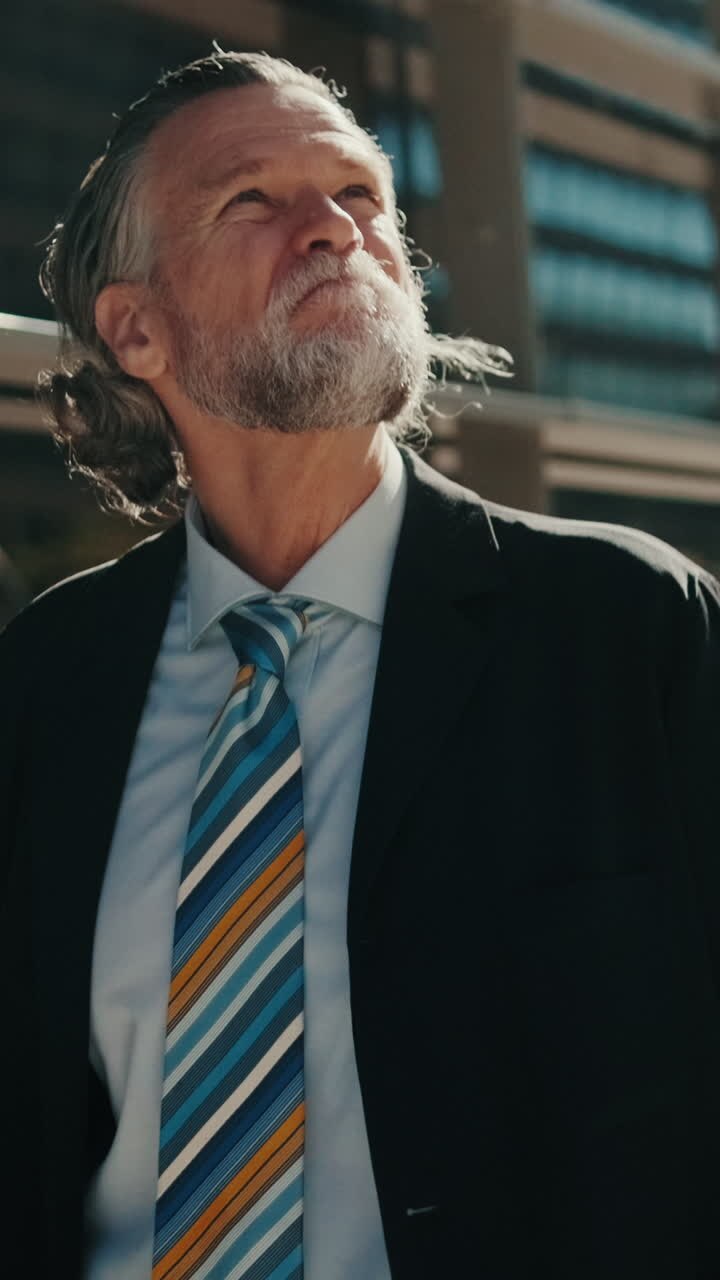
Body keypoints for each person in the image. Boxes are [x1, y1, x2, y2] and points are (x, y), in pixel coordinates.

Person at [1, 47, 719, 1280]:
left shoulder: (630, 626)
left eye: (360, 196)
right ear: (136, 328)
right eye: (252, 200)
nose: (335, 230)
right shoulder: (46, 681)